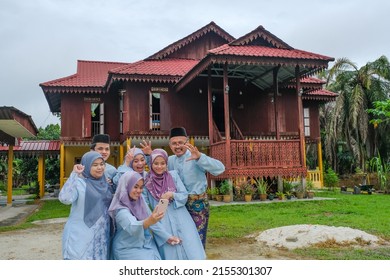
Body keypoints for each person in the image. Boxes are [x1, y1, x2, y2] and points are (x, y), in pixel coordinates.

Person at [167, 127, 225, 248]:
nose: (177, 146)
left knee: (197, 240)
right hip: (178, 205)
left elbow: (220, 169)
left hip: (197, 204)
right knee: (182, 239)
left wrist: (200, 157)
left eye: (180, 143)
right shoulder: (170, 160)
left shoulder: (195, 156)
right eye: (174, 143)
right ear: (170, 145)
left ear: (187, 142)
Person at [144, 148, 206, 260]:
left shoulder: (173, 176)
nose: (159, 166)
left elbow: (184, 195)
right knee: (171, 253)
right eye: (156, 163)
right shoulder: (147, 182)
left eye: (162, 163)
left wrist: (172, 194)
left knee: (190, 251)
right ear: (150, 164)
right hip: (162, 221)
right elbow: (144, 207)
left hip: (182, 218)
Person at [108, 170, 180, 260]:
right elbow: (132, 227)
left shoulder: (139, 200)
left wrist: (167, 237)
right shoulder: (120, 209)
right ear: (126, 186)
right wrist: (150, 220)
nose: (139, 191)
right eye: (135, 187)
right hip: (126, 248)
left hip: (145, 243)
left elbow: (152, 221)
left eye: (141, 187)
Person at [59, 151, 113, 260]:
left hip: (100, 239)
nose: (99, 168)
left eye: (101, 164)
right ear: (87, 166)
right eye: (95, 165)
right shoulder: (79, 184)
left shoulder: (105, 185)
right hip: (80, 237)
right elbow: (65, 198)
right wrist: (74, 174)